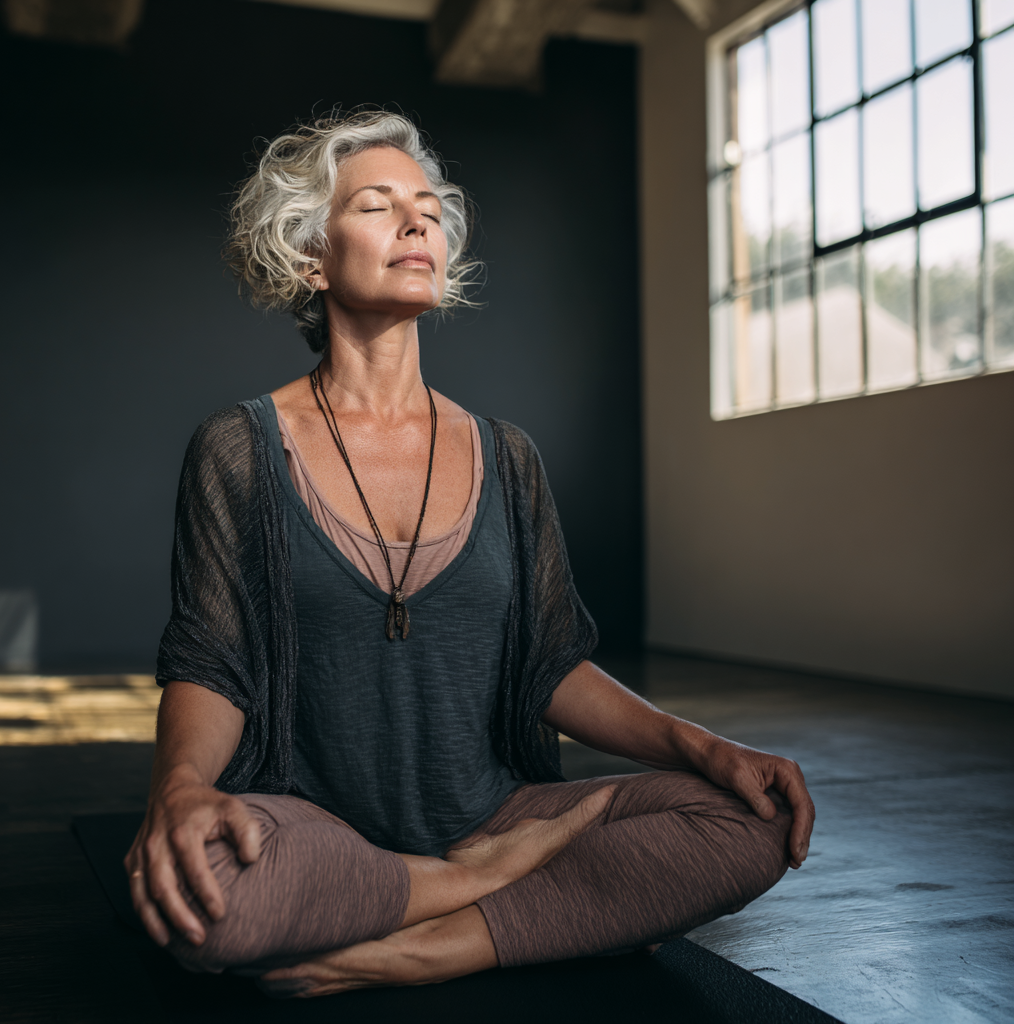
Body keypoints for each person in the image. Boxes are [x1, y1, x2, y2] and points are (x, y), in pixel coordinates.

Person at [124, 110, 815, 999]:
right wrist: (178, 789)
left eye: (428, 207)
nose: (418, 223)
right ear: (310, 256)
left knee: (748, 819)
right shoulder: (238, 448)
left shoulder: (507, 454)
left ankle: (421, 947)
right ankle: (479, 892)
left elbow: (552, 667)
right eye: (377, 206)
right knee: (201, 895)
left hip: (495, 811)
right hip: (314, 824)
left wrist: (704, 747)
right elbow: (210, 662)